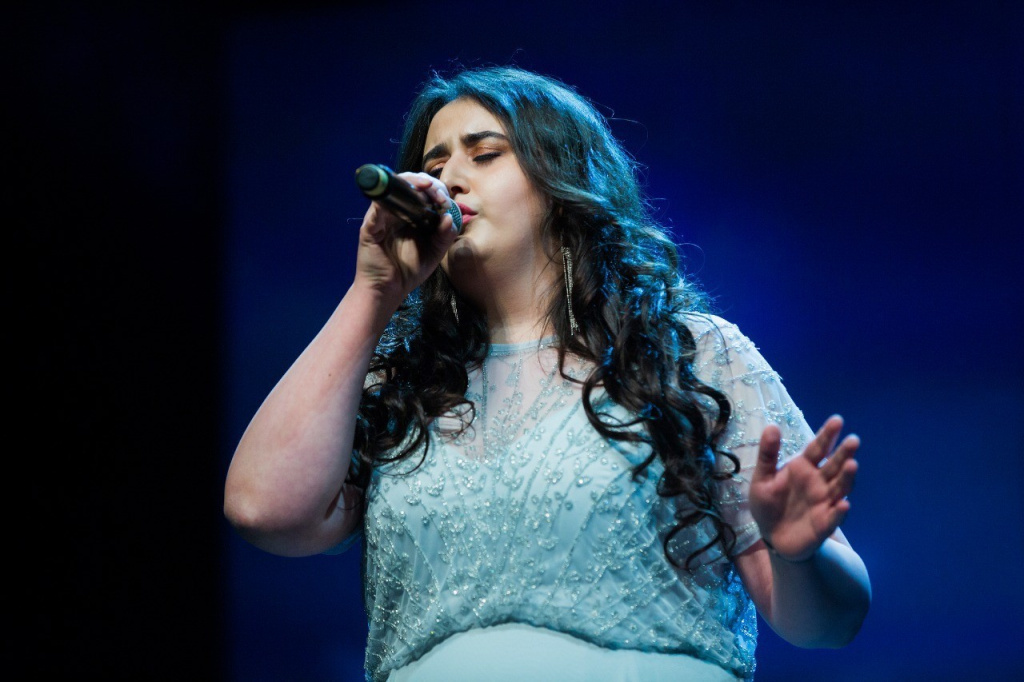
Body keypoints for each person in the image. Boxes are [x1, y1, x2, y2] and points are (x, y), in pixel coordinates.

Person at [224, 66, 871, 681]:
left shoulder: (688, 352)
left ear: (563, 180)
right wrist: (374, 290)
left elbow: (830, 624)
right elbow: (262, 509)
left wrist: (798, 553)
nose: (449, 179)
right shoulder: (401, 381)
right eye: (433, 166)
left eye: (484, 154)